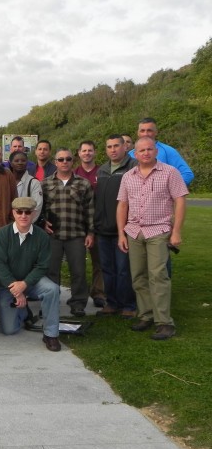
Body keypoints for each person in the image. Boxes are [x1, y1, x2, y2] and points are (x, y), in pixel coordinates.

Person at [117, 136, 188, 340]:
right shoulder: (128, 176)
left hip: (159, 230)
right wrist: (121, 233)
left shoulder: (170, 173)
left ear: (156, 151)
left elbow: (180, 201)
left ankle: (164, 322)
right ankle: (146, 315)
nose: (146, 153)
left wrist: (176, 232)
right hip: (134, 232)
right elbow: (122, 205)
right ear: (135, 154)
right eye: (141, 151)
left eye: (149, 149)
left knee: (158, 275)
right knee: (138, 276)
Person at [0, 197, 61, 352]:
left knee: (52, 289)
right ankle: (24, 312)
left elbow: (42, 266)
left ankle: (50, 334)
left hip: (31, 282)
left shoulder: (42, 236)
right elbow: (0, 266)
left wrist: (24, 285)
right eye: (19, 212)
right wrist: (17, 292)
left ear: (34, 214)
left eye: (28, 212)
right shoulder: (2, 235)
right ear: (13, 213)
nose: (23, 215)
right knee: (9, 330)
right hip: (7, 285)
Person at [41, 148, 94, 317]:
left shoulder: (83, 183)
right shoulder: (45, 183)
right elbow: (39, 209)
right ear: (55, 162)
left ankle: (78, 303)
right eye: (61, 159)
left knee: (78, 271)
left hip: (76, 234)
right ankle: (51, 302)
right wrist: (42, 223)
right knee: (51, 271)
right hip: (53, 236)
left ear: (73, 161)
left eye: (68, 159)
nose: (64, 162)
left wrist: (90, 233)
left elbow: (90, 210)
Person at [94, 135, 137, 318]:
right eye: (109, 146)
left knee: (123, 270)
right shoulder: (103, 169)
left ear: (125, 147)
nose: (113, 149)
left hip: (123, 229)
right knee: (107, 269)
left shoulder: (133, 167)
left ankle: (128, 305)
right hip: (103, 229)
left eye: (116, 146)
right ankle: (111, 303)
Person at [74, 140, 106, 308]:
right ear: (79, 153)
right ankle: (79, 294)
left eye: (90, 150)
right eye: (84, 150)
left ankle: (98, 292)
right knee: (78, 262)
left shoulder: (102, 172)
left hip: (99, 222)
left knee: (98, 260)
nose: (87, 153)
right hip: (78, 224)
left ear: (94, 152)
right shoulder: (73, 173)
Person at [130, 117, 194, 185]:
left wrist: (168, 188)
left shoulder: (168, 151)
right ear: (138, 133)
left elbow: (187, 174)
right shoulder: (130, 154)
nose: (146, 134)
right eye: (142, 131)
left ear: (156, 132)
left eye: (149, 130)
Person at [8, 151, 42, 221]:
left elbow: (37, 207)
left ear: (27, 163)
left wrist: (25, 224)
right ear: (11, 163)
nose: (20, 163)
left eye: (23, 161)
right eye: (16, 161)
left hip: (27, 225)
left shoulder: (34, 183)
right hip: (8, 224)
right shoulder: (5, 181)